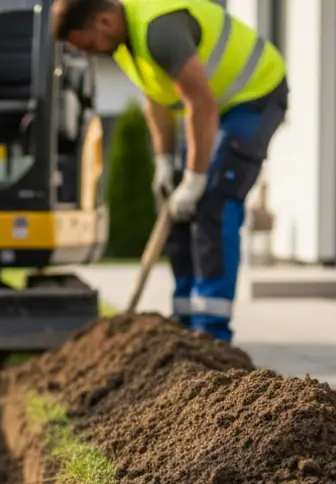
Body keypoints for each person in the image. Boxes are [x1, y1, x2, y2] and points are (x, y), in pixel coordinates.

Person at [52, 0, 288, 343]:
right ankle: (185, 325)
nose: (88, 54)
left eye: (87, 44)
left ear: (103, 21)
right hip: (214, 108)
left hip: (254, 95)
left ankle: (212, 334)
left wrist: (195, 178)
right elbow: (156, 98)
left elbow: (201, 103)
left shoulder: (158, 29)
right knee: (175, 205)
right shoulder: (124, 44)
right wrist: (164, 163)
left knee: (214, 203)